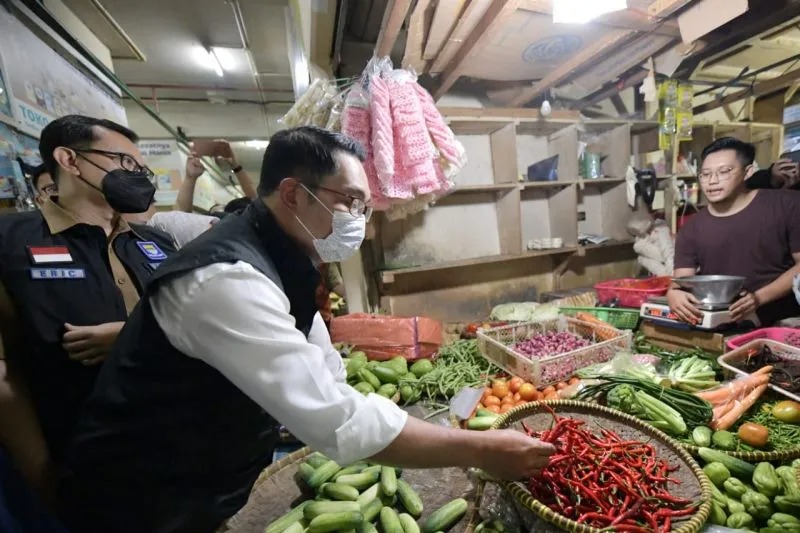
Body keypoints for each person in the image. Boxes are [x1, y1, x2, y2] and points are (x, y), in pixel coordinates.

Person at [61, 126, 554, 533]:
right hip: (140, 494)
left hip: (194, 480)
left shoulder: (282, 259)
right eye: (351, 202)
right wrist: (482, 449)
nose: (359, 219)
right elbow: (338, 420)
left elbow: (325, 371)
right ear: (295, 193)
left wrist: (393, 420)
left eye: (365, 207)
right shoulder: (226, 280)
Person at [0, 115, 177, 502]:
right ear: (69, 160)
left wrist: (134, 338)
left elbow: (198, 330)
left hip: (178, 451)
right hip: (83, 464)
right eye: (124, 162)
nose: (137, 175)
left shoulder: (158, 245)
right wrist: (43, 477)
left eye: (140, 167)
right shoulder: (11, 243)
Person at [668, 137, 800, 326]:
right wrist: (674, 293)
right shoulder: (692, 227)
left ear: (747, 172)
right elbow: (681, 279)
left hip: (783, 317)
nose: (712, 181)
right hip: (724, 317)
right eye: (705, 174)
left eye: (724, 172)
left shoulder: (787, 204)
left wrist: (758, 298)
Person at [174, 139, 257, 214]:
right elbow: (254, 200)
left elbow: (180, 218)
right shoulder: (254, 226)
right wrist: (235, 165)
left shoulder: (216, 227)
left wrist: (190, 178)